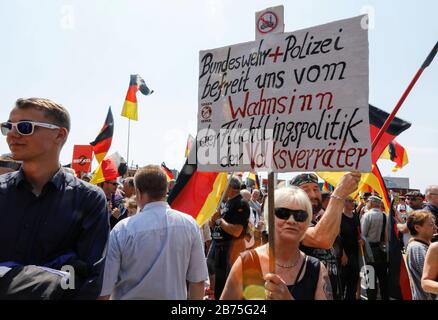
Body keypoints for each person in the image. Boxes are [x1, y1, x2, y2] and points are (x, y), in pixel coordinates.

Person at [0, 97, 109, 299]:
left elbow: (89, 280)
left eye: (25, 127)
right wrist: (54, 275)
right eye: (7, 126)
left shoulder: (89, 199)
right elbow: (69, 281)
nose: (12, 135)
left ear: (59, 134)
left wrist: (7, 274)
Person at [99, 165, 208, 299]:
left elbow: (105, 288)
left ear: (138, 193)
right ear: (166, 189)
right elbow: (197, 281)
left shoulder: (122, 230)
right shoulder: (190, 225)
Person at [220, 187, 332, 300]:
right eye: (283, 213)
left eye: (300, 215)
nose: (292, 220)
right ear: (269, 217)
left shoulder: (316, 269)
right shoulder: (246, 262)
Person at [289, 172, 361, 300]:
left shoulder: (316, 223)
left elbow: (332, 235)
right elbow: (322, 239)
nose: (312, 194)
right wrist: (339, 193)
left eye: (316, 189)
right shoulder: (290, 224)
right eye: (305, 190)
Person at [209, 176, 250, 299]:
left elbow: (237, 231)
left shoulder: (241, 203)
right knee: (220, 281)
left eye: (224, 186)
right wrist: (214, 221)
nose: (222, 189)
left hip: (230, 248)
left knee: (228, 283)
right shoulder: (228, 202)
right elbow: (220, 223)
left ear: (230, 188)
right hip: (220, 247)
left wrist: (220, 221)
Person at [360, 195, 388, 300]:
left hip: (369, 251)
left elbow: (363, 235)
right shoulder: (385, 215)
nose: (366, 203)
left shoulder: (367, 215)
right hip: (383, 251)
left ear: (371, 203)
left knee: (370, 279)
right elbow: (386, 236)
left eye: (367, 201)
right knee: (383, 278)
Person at [405, 210, 437, 300]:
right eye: (431, 225)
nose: (435, 227)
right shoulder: (418, 248)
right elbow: (429, 280)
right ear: (417, 227)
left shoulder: (420, 245)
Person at [339, 196, 362, 300]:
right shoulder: (339, 217)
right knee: (342, 283)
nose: (353, 203)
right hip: (343, 254)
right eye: (350, 201)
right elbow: (337, 237)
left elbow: (358, 233)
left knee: (353, 283)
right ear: (343, 203)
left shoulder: (356, 216)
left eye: (353, 201)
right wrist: (342, 254)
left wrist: (361, 241)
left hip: (355, 253)